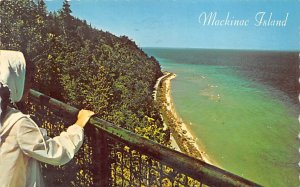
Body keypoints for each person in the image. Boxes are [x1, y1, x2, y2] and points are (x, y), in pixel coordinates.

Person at [0, 50, 95, 187]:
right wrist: (78, 125)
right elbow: (57, 153)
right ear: (15, 79)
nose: (30, 85)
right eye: (28, 79)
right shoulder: (18, 124)